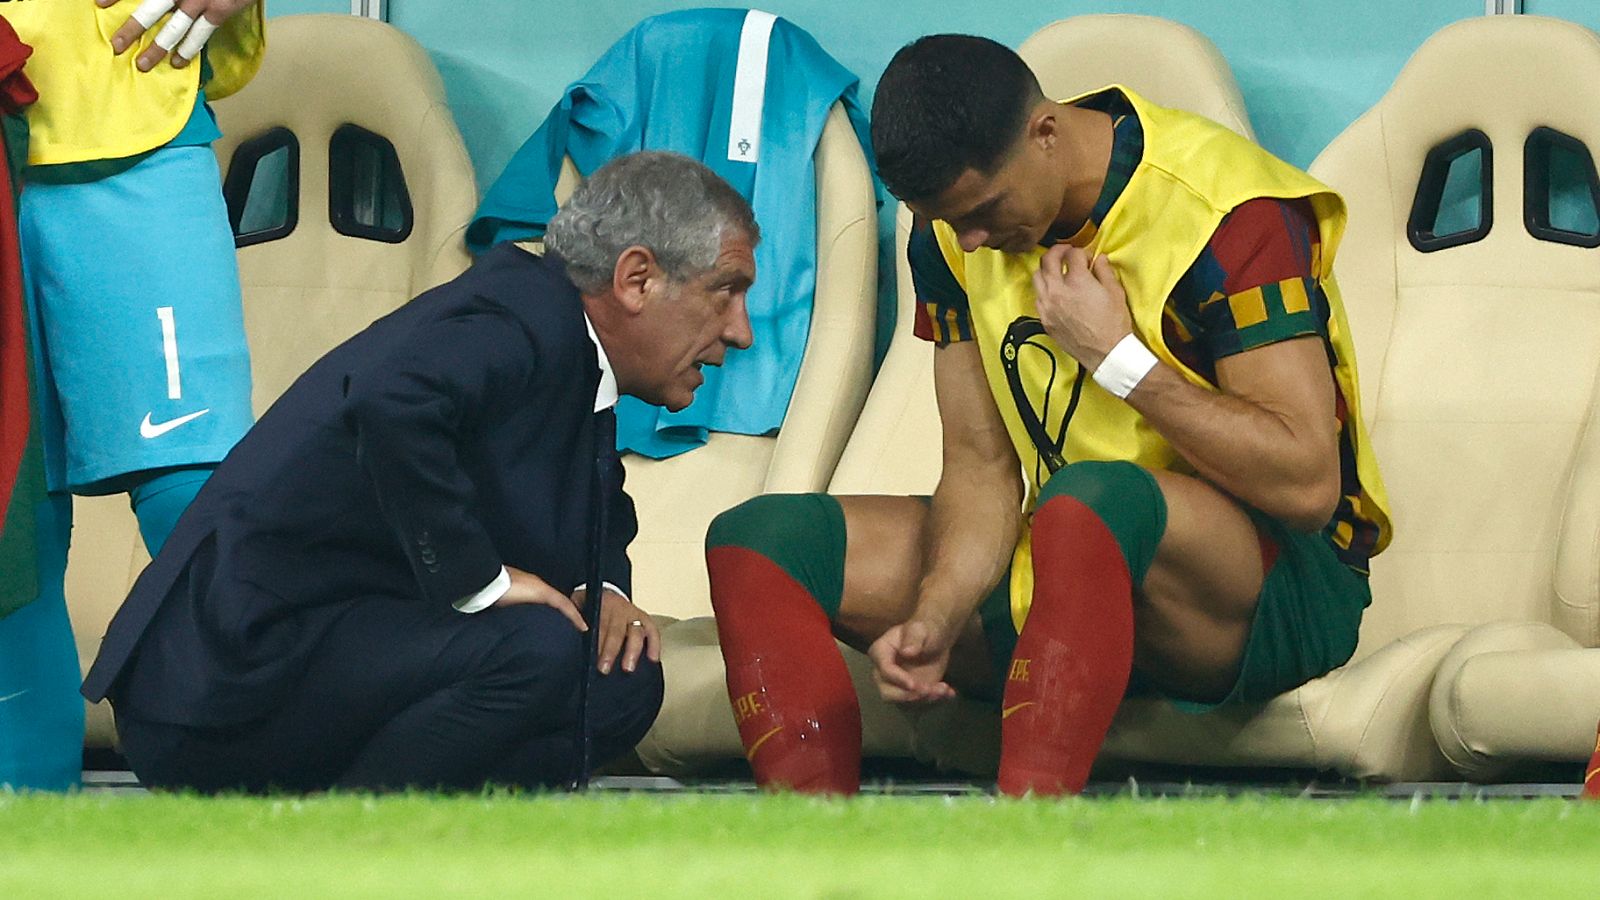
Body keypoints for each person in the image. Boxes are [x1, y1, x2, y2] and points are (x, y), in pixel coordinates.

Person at [706, 34, 1392, 796]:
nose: (970, 241)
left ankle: (1028, 844)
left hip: (1267, 593)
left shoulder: (1232, 216)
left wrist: (1120, 359)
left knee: (1092, 499)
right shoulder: (948, 235)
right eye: (944, 221)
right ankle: (804, 855)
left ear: (1047, 133)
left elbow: (1305, 485)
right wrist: (936, 613)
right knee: (760, 541)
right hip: (1069, 566)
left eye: (983, 210)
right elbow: (979, 466)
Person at [81, 151, 758, 793]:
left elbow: (598, 497)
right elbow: (392, 403)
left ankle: (408, 854)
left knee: (616, 675)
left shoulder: (567, 349)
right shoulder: (517, 316)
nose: (741, 331)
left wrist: (601, 587)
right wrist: (479, 582)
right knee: (541, 652)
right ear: (636, 279)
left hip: (319, 657)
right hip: (225, 680)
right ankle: (337, 864)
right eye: (726, 292)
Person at [0, 0, 260, 791]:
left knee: (198, 507)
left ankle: (273, 821)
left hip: (127, 108)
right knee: (12, 532)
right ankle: (33, 840)